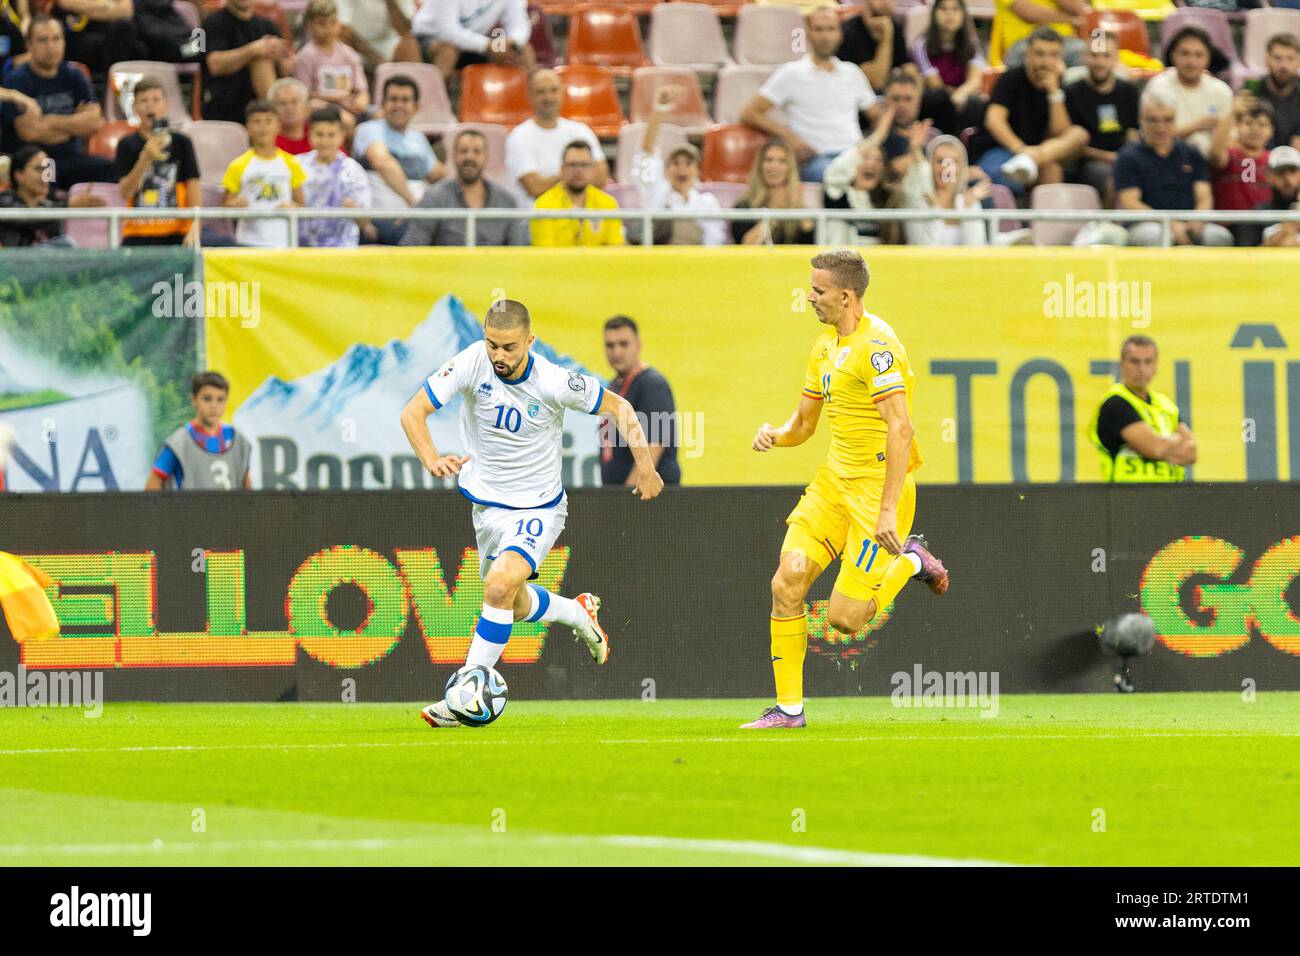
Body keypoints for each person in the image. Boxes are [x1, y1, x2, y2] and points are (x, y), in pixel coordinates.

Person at [401, 299, 663, 728]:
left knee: (499, 585)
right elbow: (413, 412)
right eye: (492, 345)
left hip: (538, 508)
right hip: (487, 510)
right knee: (513, 603)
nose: (499, 356)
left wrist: (647, 468)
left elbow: (620, 407)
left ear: (529, 341)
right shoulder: (471, 361)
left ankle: (464, 695)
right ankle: (577, 613)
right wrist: (431, 459)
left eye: (509, 347)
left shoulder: (553, 380)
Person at [743, 249, 948, 729]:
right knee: (785, 582)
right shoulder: (823, 346)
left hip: (878, 493)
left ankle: (912, 559)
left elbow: (901, 430)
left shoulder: (879, 350)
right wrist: (777, 433)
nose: (809, 297)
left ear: (846, 295)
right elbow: (805, 424)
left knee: (845, 619)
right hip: (833, 484)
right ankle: (789, 711)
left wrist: (888, 511)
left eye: (817, 291)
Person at [742, 6, 877, 183]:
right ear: (809, 34)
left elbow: (877, 115)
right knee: (840, 176)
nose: (825, 36)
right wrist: (788, 135)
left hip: (854, 154)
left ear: (840, 34)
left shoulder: (852, 73)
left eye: (831, 29)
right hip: (816, 159)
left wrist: (871, 147)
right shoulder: (791, 73)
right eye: (819, 29)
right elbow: (750, 113)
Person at [971, 27, 1088, 196]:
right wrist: (1021, 149)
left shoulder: (1062, 87)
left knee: (1077, 136)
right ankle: (1028, 160)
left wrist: (1054, 93)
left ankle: (1042, 222)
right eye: (1040, 54)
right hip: (1002, 149)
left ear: (1060, 58)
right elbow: (994, 120)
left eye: (1053, 55)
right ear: (1028, 54)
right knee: (1003, 176)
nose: (1045, 61)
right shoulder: (1010, 78)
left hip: (1037, 156)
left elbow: (1060, 134)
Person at [9, 15, 116, 191]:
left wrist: (50, 121)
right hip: (39, 163)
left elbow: (94, 123)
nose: (51, 46)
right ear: (29, 45)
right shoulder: (18, 80)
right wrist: (75, 122)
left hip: (72, 157)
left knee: (111, 168)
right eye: (43, 40)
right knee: (45, 176)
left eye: (56, 38)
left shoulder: (74, 75)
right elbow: (30, 132)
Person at [1114, 88, 1233, 246]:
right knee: (1156, 236)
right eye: (1153, 120)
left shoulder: (1192, 153)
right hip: (1147, 223)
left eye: (1167, 120)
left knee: (1219, 237)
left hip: (1189, 222)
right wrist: (1169, 224)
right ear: (1141, 119)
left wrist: (1197, 220)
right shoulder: (1128, 157)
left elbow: (1204, 197)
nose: (1160, 127)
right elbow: (1131, 202)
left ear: (1176, 119)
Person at [1087, 335, 1196, 483]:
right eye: (1135, 361)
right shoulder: (1115, 403)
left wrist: (1162, 444)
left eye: (1148, 361)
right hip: (1128, 498)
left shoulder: (1165, 404)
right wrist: (1174, 441)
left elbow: (1192, 452)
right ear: (1122, 364)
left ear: (1156, 366)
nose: (1142, 369)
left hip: (1169, 498)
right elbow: (1154, 448)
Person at [628, 86, 725, 246]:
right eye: (675, 163)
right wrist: (660, 109)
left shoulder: (707, 202)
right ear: (666, 171)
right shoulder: (654, 191)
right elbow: (647, 151)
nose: (682, 169)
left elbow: (714, 241)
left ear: (697, 171)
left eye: (688, 163)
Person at [399, 127, 527, 246]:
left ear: (486, 157)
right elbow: (412, 246)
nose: (469, 157)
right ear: (453, 156)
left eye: (477, 152)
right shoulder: (434, 197)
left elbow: (517, 255)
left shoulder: (506, 201)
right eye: (463, 151)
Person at [115, 73, 201, 246]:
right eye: (144, 101)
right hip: (138, 234)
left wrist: (195, 229)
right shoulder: (127, 144)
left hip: (177, 232)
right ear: (135, 107)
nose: (150, 106)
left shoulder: (181, 142)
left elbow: (194, 191)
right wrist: (145, 158)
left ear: (165, 105)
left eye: (156, 100)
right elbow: (125, 193)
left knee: (180, 275)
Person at [504, 68, 607, 208]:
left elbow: (600, 177)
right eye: (541, 91)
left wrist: (557, 178)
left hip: (581, 221)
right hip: (535, 222)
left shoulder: (581, 130)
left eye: (554, 90)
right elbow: (535, 187)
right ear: (528, 96)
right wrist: (576, 176)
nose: (549, 98)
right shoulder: (519, 136)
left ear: (562, 93)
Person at [600, 315, 681, 487]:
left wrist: (627, 501)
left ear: (638, 345)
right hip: (620, 498)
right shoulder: (614, 386)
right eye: (610, 345)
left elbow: (655, 445)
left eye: (624, 344)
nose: (617, 352)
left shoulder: (652, 385)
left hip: (650, 500)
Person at [352, 74, 443, 223]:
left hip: (415, 219)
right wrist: (415, 207)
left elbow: (437, 174)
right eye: (393, 99)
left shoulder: (418, 138)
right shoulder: (369, 129)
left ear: (416, 107)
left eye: (405, 100)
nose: (399, 105)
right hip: (382, 218)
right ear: (382, 104)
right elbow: (383, 163)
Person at [1065, 29, 1139, 206]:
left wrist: (1127, 157)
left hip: (1123, 158)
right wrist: (1110, 158)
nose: (1100, 62)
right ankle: (1108, 227)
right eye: (1094, 55)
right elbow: (1073, 144)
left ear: (1116, 59)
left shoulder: (1128, 91)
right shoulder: (1072, 92)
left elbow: (1133, 133)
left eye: (1106, 56)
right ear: (1085, 57)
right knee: (1111, 176)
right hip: (1087, 163)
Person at [146, 371, 253, 491]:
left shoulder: (238, 440)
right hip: (190, 509)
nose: (214, 405)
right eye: (207, 399)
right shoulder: (179, 443)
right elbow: (154, 483)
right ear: (194, 400)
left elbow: (246, 484)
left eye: (220, 399)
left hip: (232, 510)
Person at [221, 98, 306, 248]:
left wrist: (293, 207)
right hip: (248, 241)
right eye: (256, 121)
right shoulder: (238, 164)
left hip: (285, 241)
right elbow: (226, 205)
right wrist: (234, 204)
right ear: (247, 127)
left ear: (278, 126)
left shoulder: (292, 163)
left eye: (269, 121)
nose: (263, 126)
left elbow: (301, 204)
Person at [1145, 26, 1233, 157]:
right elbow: (1151, 137)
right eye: (1185, 54)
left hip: (1211, 161)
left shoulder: (1221, 90)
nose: (1191, 62)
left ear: (1208, 58)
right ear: (1173, 55)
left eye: (1198, 55)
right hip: (1167, 159)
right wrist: (1195, 127)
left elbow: (1230, 139)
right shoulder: (1158, 87)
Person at [201, 0, 293, 125]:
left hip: (264, 98)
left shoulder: (268, 25)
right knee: (260, 60)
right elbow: (214, 65)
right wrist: (253, 50)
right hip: (226, 103)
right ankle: (274, 125)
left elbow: (286, 70)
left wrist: (282, 59)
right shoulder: (213, 23)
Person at [0, 143, 104, 247]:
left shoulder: (49, 206)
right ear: (19, 175)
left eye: (48, 169)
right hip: (13, 261)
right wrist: (68, 206)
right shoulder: (5, 199)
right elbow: (28, 219)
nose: (46, 175)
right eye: (39, 169)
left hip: (42, 261)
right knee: (64, 244)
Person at [822, 105, 899, 245]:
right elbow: (835, 170)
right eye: (866, 158)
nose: (872, 164)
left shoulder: (886, 202)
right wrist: (878, 136)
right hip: (842, 265)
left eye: (878, 160)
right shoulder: (837, 193)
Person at [896, 132, 991, 246]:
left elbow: (976, 249)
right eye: (940, 161)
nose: (946, 168)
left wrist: (968, 208)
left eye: (953, 162)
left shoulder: (968, 201)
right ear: (930, 164)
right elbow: (925, 250)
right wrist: (936, 210)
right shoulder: (917, 201)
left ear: (962, 167)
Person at [293, 0, 368, 138]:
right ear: (311, 25)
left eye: (332, 22)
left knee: (377, 116)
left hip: (349, 103)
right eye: (322, 23)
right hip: (320, 105)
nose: (328, 28)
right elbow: (304, 94)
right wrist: (338, 98)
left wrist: (362, 100)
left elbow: (361, 88)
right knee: (347, 121)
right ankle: (346, 157)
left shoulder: (348, 53)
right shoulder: (305, 56)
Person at [912, 0, 988, 133]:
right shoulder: (921, 45)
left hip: (963, 99)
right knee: (939, 98)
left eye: (955, 9)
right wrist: (957, 97)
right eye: (943, 9)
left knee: (977, 102)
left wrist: (961, 94)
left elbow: (975, 81)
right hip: (936, 103)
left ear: (963, 14)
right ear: (933, 14)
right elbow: (935, 85)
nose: (949, 14)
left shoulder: (972, 44)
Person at [300, 106, 371, 247]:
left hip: (342, 250)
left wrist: (355, 211)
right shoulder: (296, 165)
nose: (325, 141)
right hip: (298, 249)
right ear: (310, 135)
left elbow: (365, 221)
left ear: (341, 135)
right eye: (319, 134)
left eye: (331, 135)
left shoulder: (354, 170)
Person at [530, 139, 622, 246]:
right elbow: (545, 255)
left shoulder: (608, 203)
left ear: (592, 168)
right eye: (572, 165)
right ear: (562, 169)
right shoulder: (543, 205)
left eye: (584, 165)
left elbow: (615, 248)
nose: (578, 171)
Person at [410, 0, 533, 77]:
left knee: (522, 49)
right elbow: (448, 31)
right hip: (431, 38)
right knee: (448, 52)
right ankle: (436, 108)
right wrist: (488, 46)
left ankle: (531, 108)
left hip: (477, 41)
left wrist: (512, 42)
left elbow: (519, 23)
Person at [730, 139, 815, 245]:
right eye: (768, 160)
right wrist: (774, 213)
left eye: (782, 161)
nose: (774, 166)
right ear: (760, 166)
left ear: (790, 169)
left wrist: (799, 209)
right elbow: (745, 246)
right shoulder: (744, 205)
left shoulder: (797, 204)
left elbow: (812, 245)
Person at [1209, 92, 1273, 229]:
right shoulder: (1230, 154)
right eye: (1248, 123)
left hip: (1265, 230)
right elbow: (1215, 156)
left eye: (1262, 124)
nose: (1255, 129)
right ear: (1237, 127)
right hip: (1228, 228)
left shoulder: (1276, 161)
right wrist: (1232, 113)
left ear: (1271, 130)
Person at [50, 0, 144, 72]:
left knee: (135, 42)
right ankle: (110, 89)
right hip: (77, 37)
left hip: (109, 35)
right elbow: (67, 2)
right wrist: (108, 5)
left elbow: (127, 10)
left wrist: (90, 8)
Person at [991, 0, 1087, 69]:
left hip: (1065, 42)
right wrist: (1070, 20)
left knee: (1088, 55)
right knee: (1028, 56)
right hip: (1024, 42)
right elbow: (1029, 12)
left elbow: (1079, 8)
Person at [1236, 144, 1300, 247]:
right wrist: (1272, 243)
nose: (1288, 179)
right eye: (1281, 172)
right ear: (1269, 176)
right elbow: (1245, 257)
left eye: (1292, 171)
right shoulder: (1256, 215)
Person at [1246, 33, 1300, 150]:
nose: (1283, 65)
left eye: (1290, 58)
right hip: (1257, 159)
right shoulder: (1252, 92)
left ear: (1298, 61)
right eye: (1277, 58)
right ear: (1267, 58)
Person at [334, 0, 420, 72]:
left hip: (388, 43)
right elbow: (343, 30)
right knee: (339, 39)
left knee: (410, 44)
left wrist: (390, 2)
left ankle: (412, 89)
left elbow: (406, 31)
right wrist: (378, 60)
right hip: (356, 45)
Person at [270, 77, 313, 154]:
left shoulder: (321, 134)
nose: (289, 108)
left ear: (306, 108)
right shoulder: (267, 140)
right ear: (272, 110)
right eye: (282, 103)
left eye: (294, 102)